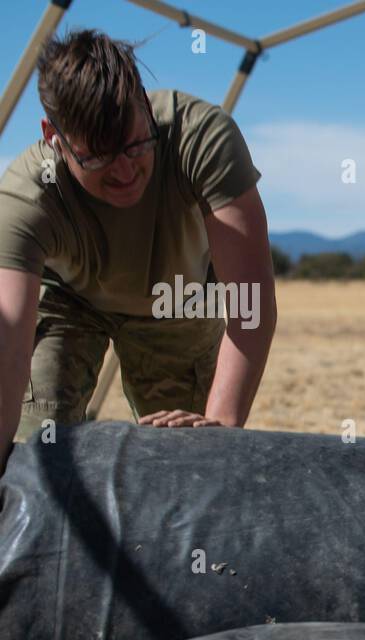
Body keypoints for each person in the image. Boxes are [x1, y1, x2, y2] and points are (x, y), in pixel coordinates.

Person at [0, 30, 277, 474]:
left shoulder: (201, 136)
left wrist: (221, 428)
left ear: (145, 106)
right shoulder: (27, 193)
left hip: (175, 300)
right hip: (69, 300)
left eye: (136, 145)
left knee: (186, 461)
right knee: (36, 457)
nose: (126, 171)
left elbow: (250, 306)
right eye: (98, 157)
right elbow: (8, 343)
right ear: (54, 136)